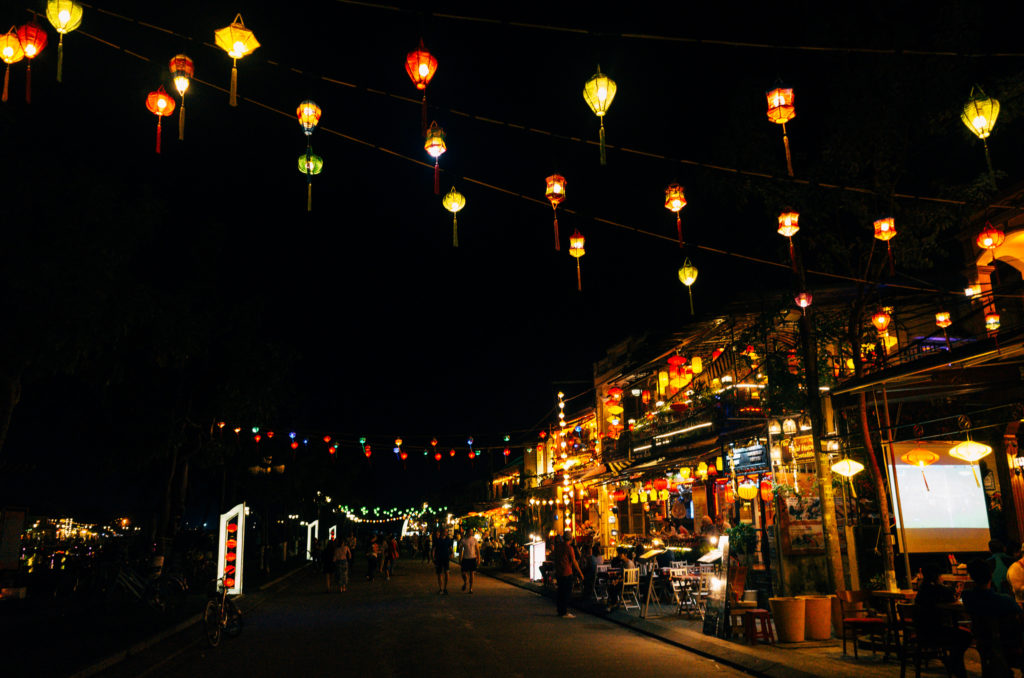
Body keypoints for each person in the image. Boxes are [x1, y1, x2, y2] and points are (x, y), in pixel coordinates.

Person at [913, 563, 970, 678]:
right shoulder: (936, 589)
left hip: (922, 632)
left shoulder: (922, 590)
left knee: (959, 636)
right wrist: (941, 584)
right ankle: (954, 664)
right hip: (935, 632)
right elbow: (950, 594)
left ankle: (954, 664)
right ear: (936, 576)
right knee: (965, 636)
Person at [552, 530, 584, 617]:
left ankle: (560, 610)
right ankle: (564, 612)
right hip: (567, 572)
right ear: (571, 538)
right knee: (567, 592)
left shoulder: (558, 547)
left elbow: (555, 558)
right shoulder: (569, 548)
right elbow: (574, 561)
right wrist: (580, 573)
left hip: (559, 572)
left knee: (560, 592)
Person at [433, 529, 453, 594]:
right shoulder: (437, 540)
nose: (446, 533)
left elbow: (450, 548)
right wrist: (433, 557)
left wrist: (452, 553)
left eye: (447, 532)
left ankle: (445, 588)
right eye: (445, 531)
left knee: (447, 572)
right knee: (439, 573)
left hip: (446, 558)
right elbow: (434, 549)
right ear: (442, 532)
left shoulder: (448, 539)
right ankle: (440, 588)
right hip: (439, 558)